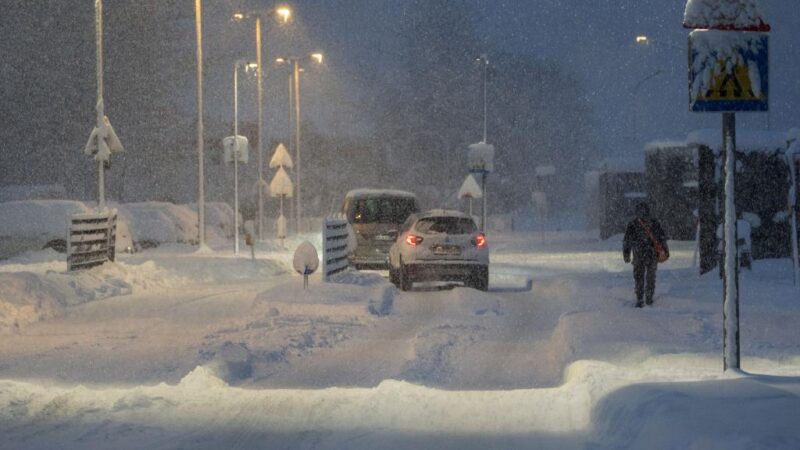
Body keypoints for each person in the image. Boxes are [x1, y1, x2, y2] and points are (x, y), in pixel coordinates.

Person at [623, 202, 669, 307]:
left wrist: (626, 254)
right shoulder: (654, 222)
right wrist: (665, 251)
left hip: (638, 254)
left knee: (639, 277)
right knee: (650, 277)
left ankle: (640, 299)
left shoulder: (633, 224)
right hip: (652, 254)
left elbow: (627, 241)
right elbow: (662, 238)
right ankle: (649, 298)